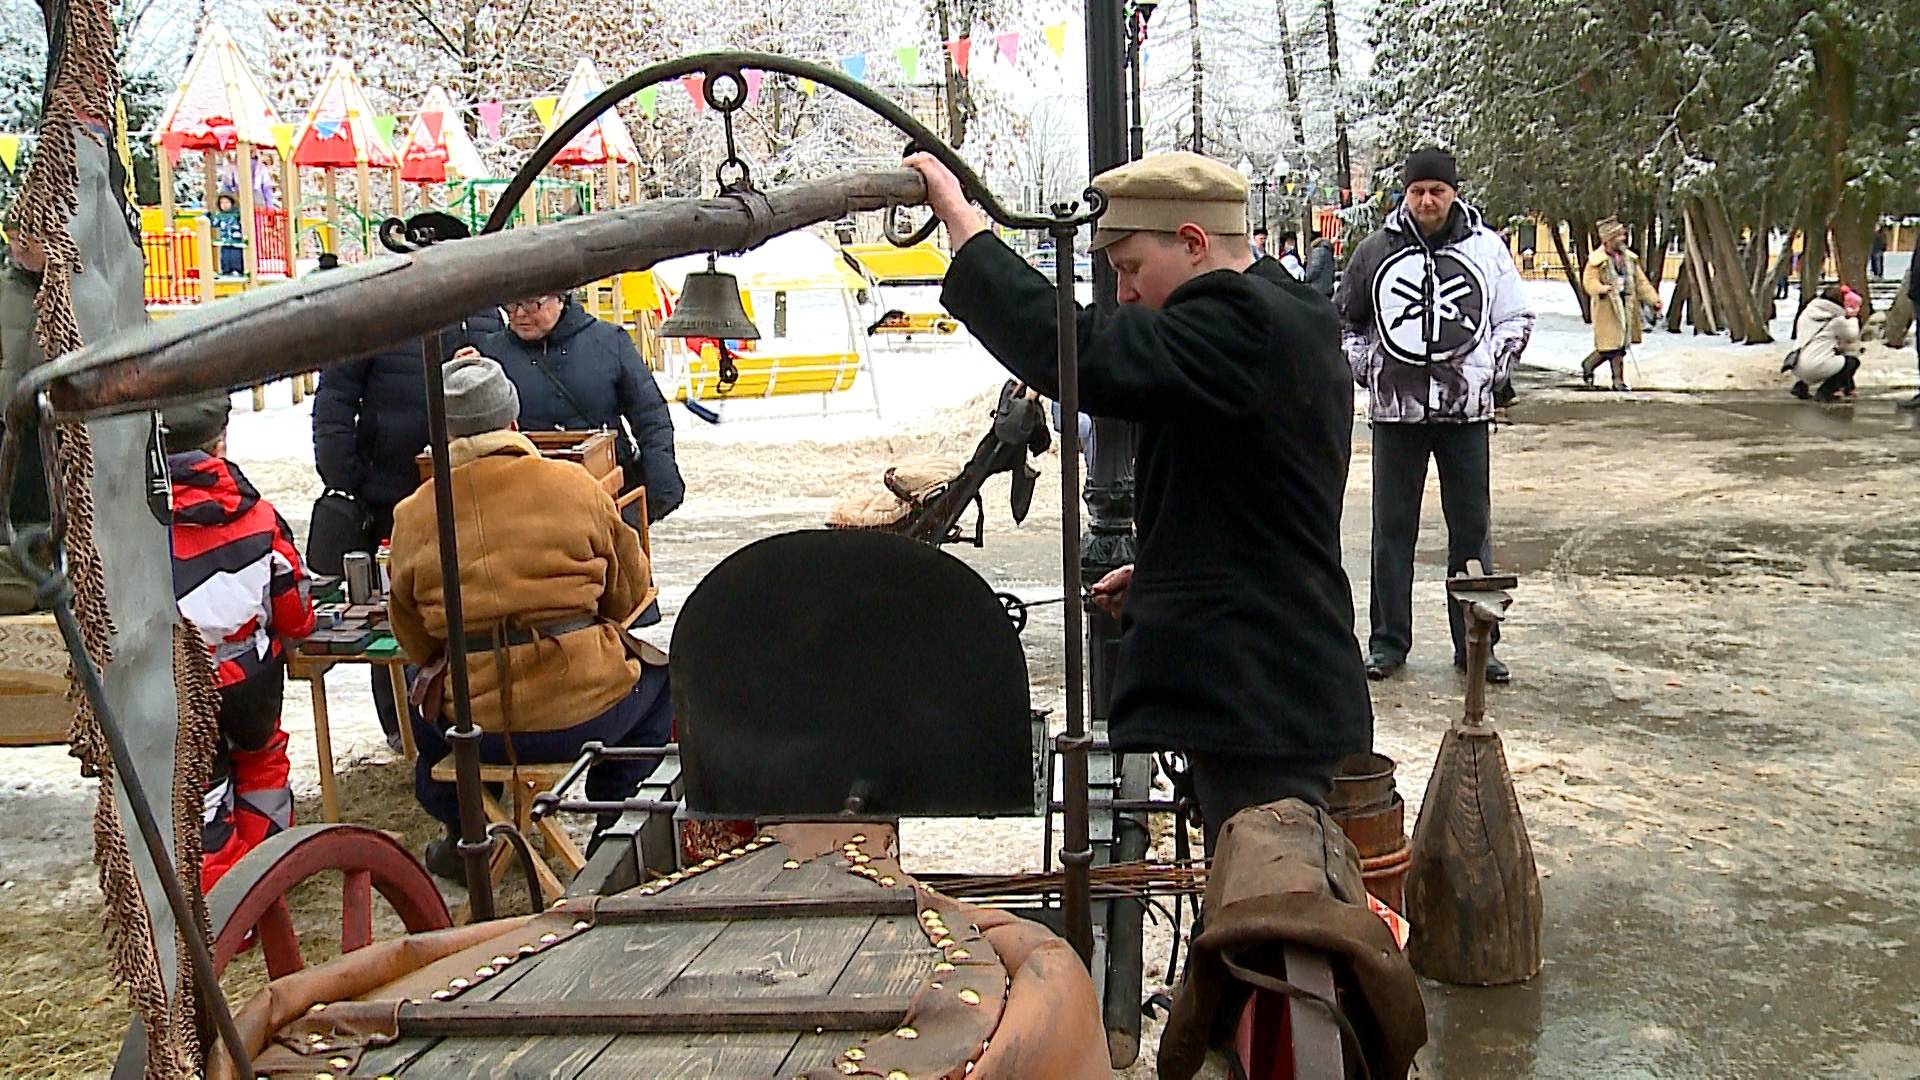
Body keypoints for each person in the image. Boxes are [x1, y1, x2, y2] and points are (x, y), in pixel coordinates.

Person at [905, 149, 1372, 851]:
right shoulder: (1282, 309)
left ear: (1192, 242)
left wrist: (968, 235)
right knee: (1253, 902)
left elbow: (1084, 352)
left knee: (1268, 920)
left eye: (1129, 268)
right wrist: (1165, 580)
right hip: (1273, 685)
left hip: (1262, 697)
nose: (1122, 292)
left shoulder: (1243, 321)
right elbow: (1251, 498)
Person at [386, 355, 671, 877]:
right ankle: (616, 819)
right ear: (513, 422)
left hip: (474, 729)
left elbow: (411, 636)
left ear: (442, 437)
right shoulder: (575, 486)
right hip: (584, 712)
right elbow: (630, 593)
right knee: (663, 687)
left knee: (419, 687)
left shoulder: (413, 514)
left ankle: (467, 827)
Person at [1335, 147, 1534, 684]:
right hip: (1396, 412)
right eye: (1418, 190)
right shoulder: (1375, 251)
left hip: (1464, 413)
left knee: (1471, 533)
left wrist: (1490, 366)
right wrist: (1368, 365)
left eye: (1437, 191)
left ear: (1453, 193)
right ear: (1406, 193)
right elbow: (1346, 321)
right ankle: (1388, 642)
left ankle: (1477, 644)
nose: (1427, 200)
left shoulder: (1486, 249)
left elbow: (1515, 316)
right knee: (1391, 532)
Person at [311, 232, 501, 752]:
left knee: (463, 595)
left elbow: (498, 384)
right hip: (389, 487)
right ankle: (400, 725)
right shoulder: (374, 314)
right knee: (394, 604)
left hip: (466, 483)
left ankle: (466, 710)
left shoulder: (483, 311)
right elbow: (335, 401)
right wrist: (346, 476)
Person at [162, 394, 315, 891]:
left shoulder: (139, 525)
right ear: (220, 442)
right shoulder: (260, 515)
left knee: (202, 792)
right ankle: (269, 880)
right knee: (263, 763)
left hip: (179, 680)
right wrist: (296, 630)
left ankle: (227, 912)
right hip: (251, 676)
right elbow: (292, 602)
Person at [476, 291, 684, 526]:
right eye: (511, 305)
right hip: (527, 508)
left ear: (560, 299)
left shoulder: (608, 341)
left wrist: (660, 480)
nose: (519, 315)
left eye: (532, 305)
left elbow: (650, 415)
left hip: (607, 499)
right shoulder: (490, 354)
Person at [1580, 216, 1663, 391]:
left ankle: (1590, 365)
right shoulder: (1597, 260)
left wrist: (1653, 300)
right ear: (1608, 240)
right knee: (1612, 347)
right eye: (1619, 236)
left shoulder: (1629, 259)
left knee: (1616, 346)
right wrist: (1601, 289)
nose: (1623, 239)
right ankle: (1618, 380)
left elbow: (1641, 283)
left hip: (1625, 305)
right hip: (1607, 307)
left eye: (1623, 236)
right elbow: (1588, 281)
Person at [1785, 285, 1863, 402]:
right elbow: (1851, 335)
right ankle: (1825, 392)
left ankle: (1801, 386)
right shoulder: (1837, 320)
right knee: (1851, 362)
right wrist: (1853, 318)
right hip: (1814, 366)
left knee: (1831, 358)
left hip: (1796, 364)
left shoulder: (1807, 312)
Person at [209, 193, 245, 277]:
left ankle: (238, 270)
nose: (224, 205)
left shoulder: (237, 215)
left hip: (236, 241)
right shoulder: (219, 216)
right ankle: (226, 271)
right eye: (222, 203)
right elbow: (213, 223)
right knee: (225, 257)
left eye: (227, 202)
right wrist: (207, 216)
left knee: (236, 257)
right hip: (225, 241)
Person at [1301, 229, 1337, 298]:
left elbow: (1314, 269)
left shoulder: (1318, 251)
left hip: (1317, 287)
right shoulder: (1328, 251)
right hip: (1327, 287)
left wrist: (1306, 279)